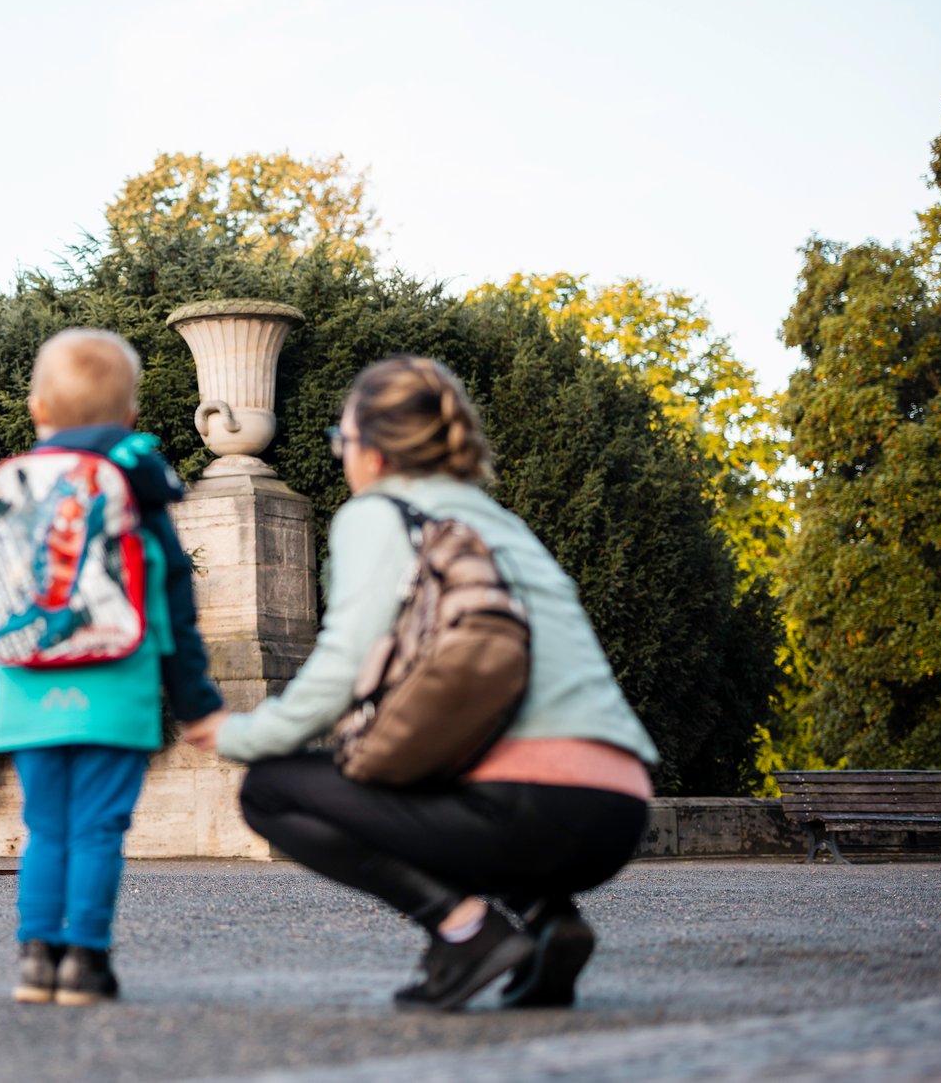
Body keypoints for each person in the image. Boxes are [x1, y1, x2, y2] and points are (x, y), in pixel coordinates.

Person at [182, 355, 658, 1012]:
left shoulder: (381, 512)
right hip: (617, 811)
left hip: (525, 809)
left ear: (372, 453)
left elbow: (342, 666)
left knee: (271, 789)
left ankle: (468, 931)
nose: (341, 456)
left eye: (340, 441)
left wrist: (242, 732)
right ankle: (548, 921)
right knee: (427, 762)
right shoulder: (501, 522)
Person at [0, 328, 228, 1005]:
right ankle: (86, 963)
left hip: (24, 688)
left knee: (46, 827)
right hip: (116, 690)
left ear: (37, 409)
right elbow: (173, 600)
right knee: (99, 828)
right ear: (129, 416)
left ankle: (37, 957)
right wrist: (195, 701)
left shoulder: (8, 486)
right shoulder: (138, 478)